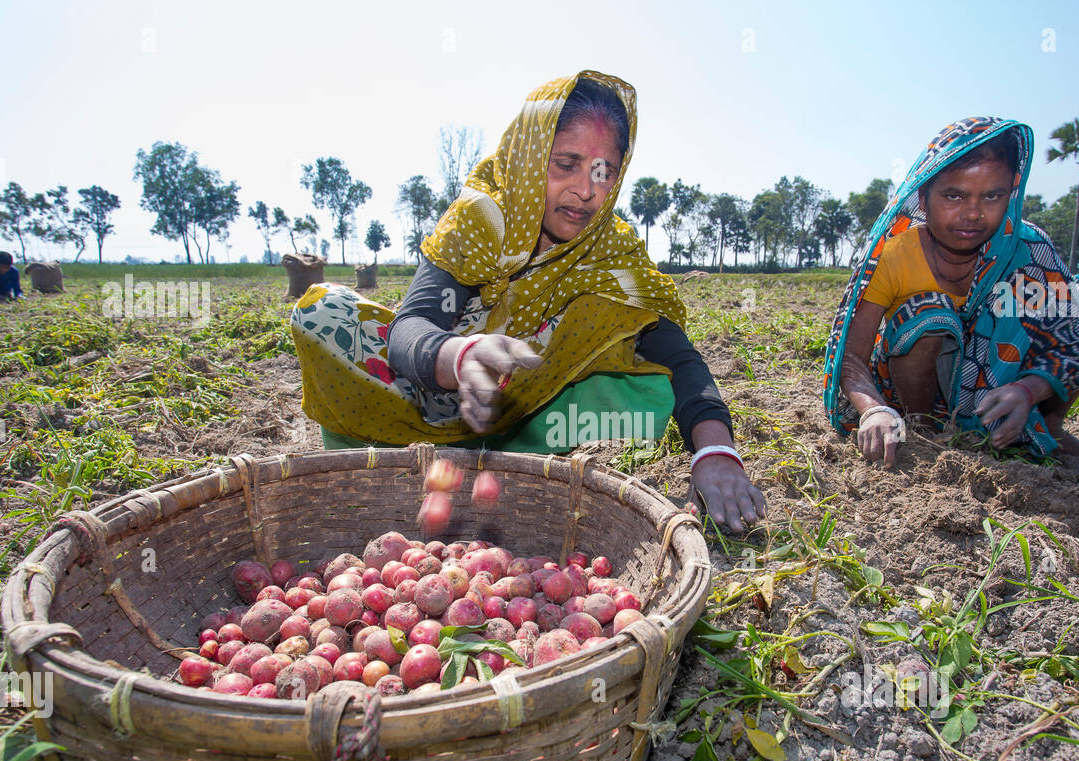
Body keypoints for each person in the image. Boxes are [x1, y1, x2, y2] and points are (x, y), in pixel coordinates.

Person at [292, 70, 765, 533]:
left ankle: (520, 442)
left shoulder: (612, 252)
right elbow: (412, 325)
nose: (586, 190)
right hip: (429, 387)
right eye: (566, 165)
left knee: (654, 378)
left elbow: (678, 355)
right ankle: (445, 443)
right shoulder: (483, 219)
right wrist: (462, 356)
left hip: (530, 400)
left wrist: (716, 453)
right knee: (323, 315)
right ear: (531, 156)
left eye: (605, 173)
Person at [822, 117, 1079, 467]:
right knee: (929, 311)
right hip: (919, 396)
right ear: (924, 197)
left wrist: (1028, 390)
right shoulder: (893, 256)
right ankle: (926, 433)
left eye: (992, 196)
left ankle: (1049, 428)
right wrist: (874, 410)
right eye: (954, 195)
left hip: (1003, 394)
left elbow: (1068, 339)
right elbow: (851, 355)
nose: (973, 214)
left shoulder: (1028, 248)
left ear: (1010, 192)